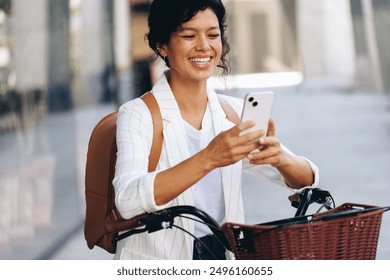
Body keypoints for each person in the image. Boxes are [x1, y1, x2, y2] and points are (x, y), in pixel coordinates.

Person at [113, 0, 319, 260]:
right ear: (161, 45)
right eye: (189, 35)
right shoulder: (137, 114)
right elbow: (127, 199)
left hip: (223, 255)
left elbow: (307, 180)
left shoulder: (231, 113)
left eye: (212, 34)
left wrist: (281, 159)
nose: (204, 45)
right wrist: (209, 158)